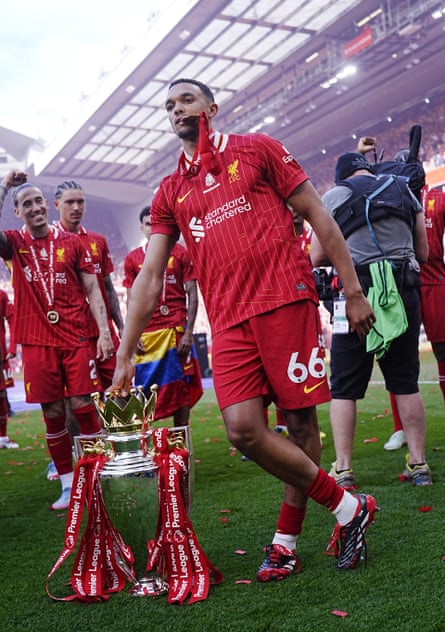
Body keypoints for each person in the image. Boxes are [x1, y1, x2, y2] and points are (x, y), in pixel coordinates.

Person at [111, 78, 379, 580]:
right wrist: (126, 352)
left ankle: (285, 542)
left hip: (286, 301)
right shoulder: (170, 191)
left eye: (186, 99)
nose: (177, 109)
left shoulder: (257, 150)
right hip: (229, 320)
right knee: (243, 431)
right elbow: (150, 275)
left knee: (300, 427)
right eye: (169, 105)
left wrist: (353, 290)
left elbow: (318, 214)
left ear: (211, 107)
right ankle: (348, 507)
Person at [311, 151, 431, 488]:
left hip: (354, 294)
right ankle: (419, 464)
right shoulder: (404, 188)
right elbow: (422, 252)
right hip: (402, 289)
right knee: (406, 381)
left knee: (345, 387)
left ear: (341, 177)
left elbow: (316, 255)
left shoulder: (333, 196)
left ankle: (345, 469)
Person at [0, 172, 114, 509]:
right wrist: (6, 188)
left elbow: (94, 289)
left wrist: (104, 333)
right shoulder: (13, 244)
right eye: (26, 204)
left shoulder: (73, 242)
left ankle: (96, 474)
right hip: (37, 341)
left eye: (38, 201)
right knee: (52, 411)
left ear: (47, 206)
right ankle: (68, 485)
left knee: (83, 405)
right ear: (17, 212)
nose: (34, 207)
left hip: (76, 336)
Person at [43, 179, 125, 481]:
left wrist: (121, 327)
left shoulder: (98, 241)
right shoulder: (45, 244)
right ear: (57, 205)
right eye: (70, 202)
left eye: (81, 202)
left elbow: (106, 288)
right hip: (68, 335)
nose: (76, 207)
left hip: (102, 332)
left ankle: (119, 451)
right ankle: (79, 457)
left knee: (119, 390)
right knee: (73, 401)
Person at [123, 205, 202, 426]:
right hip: (147, 336)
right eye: (148, 224)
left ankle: (181, 445)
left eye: (155, 223)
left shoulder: (181, 253)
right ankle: (146, 449)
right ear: (141, 228)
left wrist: (188, 333)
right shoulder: (133, 259)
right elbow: (132, 301)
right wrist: (133, 335)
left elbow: (192, 295)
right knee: (144, 391)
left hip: (175, 330)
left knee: (181, 389)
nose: (152, 228)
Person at [0, 288, 17, 448]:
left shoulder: (1, 295)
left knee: (1, 395)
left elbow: (13, 320)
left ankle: (3, 437)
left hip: (0, 356)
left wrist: (12, 347)